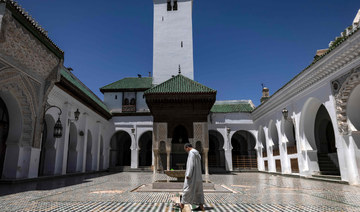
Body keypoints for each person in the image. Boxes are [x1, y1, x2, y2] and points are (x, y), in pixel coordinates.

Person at [177, 143, 205, 211]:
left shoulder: (191, 153)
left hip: (192, 176)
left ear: (187, 147)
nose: (186, 151)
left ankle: (182, 204)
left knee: (187, 189)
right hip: (198, 176)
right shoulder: (197, 154)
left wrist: (188, 175)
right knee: (198, 191)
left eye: (185, 149)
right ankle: (201, 206)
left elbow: (190, 164)